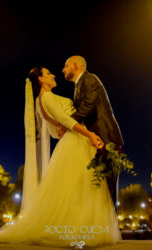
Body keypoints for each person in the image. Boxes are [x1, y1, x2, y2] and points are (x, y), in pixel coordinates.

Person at [0, 66, 121, 247]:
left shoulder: (42, 100)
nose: (53, 75)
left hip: (74, 141)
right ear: (41, 80)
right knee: (80, 187)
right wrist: (89, 134)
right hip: (76, 142)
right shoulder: (47, 97)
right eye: (48, 73)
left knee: (78, 188)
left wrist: (66, 128)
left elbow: (55, 130)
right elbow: (66, 121)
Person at [61, 56, 123, 209]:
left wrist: (66, 123)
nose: (63, 70)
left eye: (66, 66)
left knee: (108, 190)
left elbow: (88, 107)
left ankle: (109, 228)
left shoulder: (90, 79)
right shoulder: (78, 85)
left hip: (106, 139)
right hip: (96, 140)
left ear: (76, 66)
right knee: (100, 189)